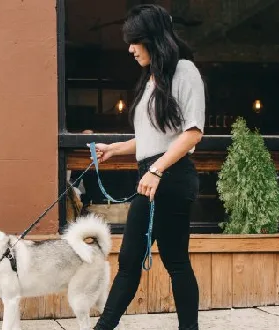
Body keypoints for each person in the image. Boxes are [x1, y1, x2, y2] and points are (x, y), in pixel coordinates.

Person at [91, 4, 205, 330]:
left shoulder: (185, 72)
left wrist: (157, 171)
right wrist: (116, 149)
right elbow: (152, 139)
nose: (129, 48)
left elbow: (192, 132)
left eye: (135, 40)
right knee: (176, 262)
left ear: (153, 38)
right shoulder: (151, 79)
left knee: (129, 262)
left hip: (170, 176)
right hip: (154, 175)